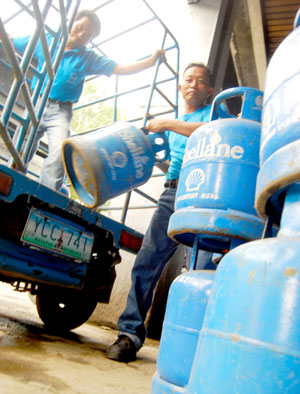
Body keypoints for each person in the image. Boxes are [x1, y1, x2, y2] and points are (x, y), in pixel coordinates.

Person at [106, 62, 215, 363]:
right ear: (180, 87)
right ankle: (129, 334)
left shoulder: (213, 115)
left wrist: (165, 123)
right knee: (147, 261)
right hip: (172, 193)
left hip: (204, 193)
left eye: (200, 81)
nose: (193, 84)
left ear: (209, 90)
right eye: (188, 79)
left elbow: (210, 132)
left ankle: (193, 346)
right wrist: (153, 161)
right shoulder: (176, 125)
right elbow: (173, 163)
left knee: (202, 269)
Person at [11, 9, 165, 191]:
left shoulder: (87, 57)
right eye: (81, 27)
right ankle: (12, 176)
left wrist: (151, 61)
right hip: (36, 101)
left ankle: (46, 192)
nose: (82, 34)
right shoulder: (47, 40)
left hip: (61, 111)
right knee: (22, 141)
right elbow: (12, 42)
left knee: (60, 150)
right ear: (71, 23)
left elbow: (120, 68)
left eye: (88, 34)